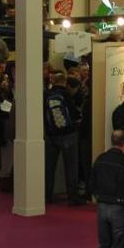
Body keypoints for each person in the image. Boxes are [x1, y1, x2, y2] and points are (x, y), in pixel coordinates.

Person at [44, 72, 83, 204]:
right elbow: (74, 113)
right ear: (65, 82)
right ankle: (73, 197)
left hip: (50, 135)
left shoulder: (47, 94)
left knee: (49, 167)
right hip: (68, 135)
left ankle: (46, 195)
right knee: (71, 166)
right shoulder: (65, 94)